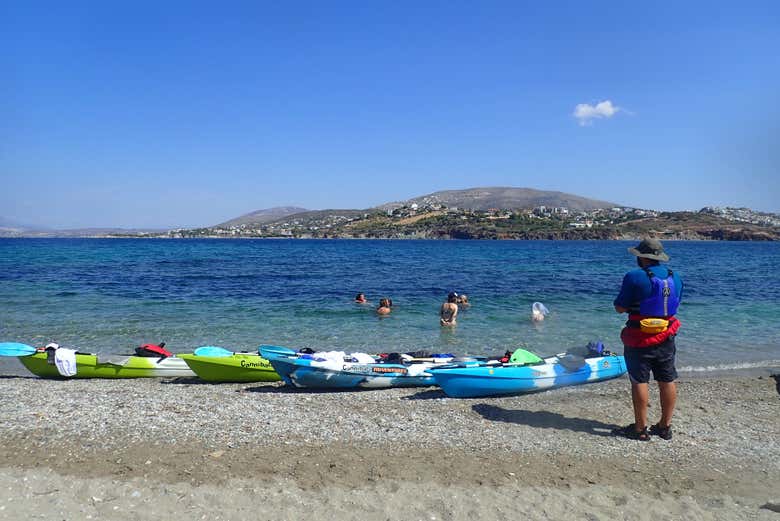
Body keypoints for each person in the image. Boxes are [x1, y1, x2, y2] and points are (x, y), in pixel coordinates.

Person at [612, 238, 683, 441]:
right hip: (667, 336)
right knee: (667, 379)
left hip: (639, 337)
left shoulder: (634, 276)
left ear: (642, 257)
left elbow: (620, 308)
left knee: (639, 381)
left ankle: (640, 429)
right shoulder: (675, 277)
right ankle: (664, 426)